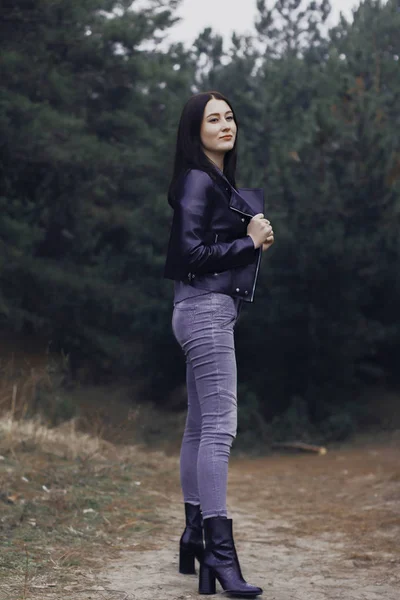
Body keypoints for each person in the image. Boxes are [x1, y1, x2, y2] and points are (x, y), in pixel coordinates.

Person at [164, 91, 274, 597]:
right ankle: (219, 551)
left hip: (197, 309)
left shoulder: (215, 182)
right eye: (214, 119)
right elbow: (190, 251)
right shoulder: (196, 180)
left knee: (199, 426)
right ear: (196, 130)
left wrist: (247, 236)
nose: (226, 124)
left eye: (230, 116)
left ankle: (193, 534)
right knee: (221, 429)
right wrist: (248, 242)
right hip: (205, 310)